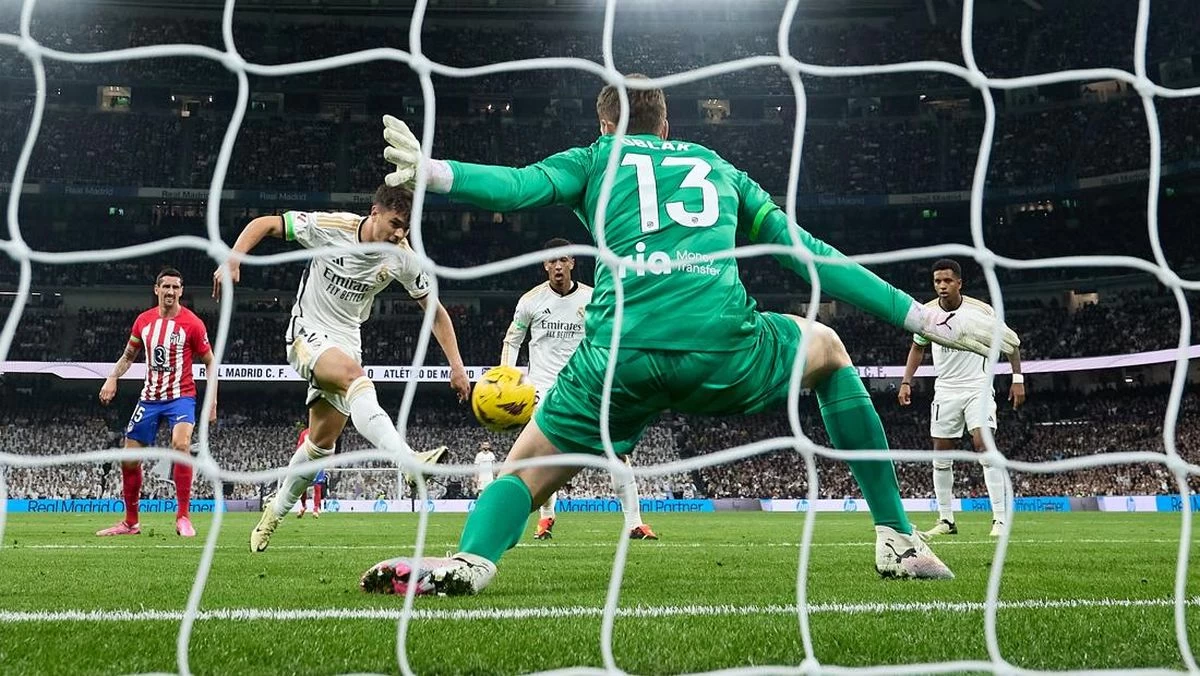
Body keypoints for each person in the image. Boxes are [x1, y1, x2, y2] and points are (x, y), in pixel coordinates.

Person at [360, 76, 1018, 596]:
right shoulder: (716, 166)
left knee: (523, 471)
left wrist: (436, 172)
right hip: (723, 349)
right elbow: (805, 253)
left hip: (617, 359)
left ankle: (473, 559)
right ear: (667, 126)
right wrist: (922, 317)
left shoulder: (596, 158)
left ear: (605, 126)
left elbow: (520, 187)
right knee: (827, 350)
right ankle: (896, 538)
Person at [213, 184, 471, 552]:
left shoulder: (403, 258)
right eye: (394, 224)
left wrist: (457, 366)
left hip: (348, 341)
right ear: (374, 213)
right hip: (307, 332)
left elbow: (436, 312)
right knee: (356, 380)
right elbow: (266, 223)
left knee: (321, 445)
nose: (399, 234)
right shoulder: (331, 228)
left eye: (406, 227)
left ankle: (274, 512)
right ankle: (407, 460)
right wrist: (233, 258)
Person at [501, 238, 656, 541]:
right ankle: (546, 517)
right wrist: (507, 376)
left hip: (586, 385)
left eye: (563, 260)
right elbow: (512, 340)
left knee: (616, 452)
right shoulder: (530, 301)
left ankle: (634, 523)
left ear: (572, 262)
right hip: (543, 388)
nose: (558, 266)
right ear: (545, 265)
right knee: (543, 457)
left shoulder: (593, 297)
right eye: (552, 261)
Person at [898, 259, 1025, 538]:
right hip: (945, 390)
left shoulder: (981, 310)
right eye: (937, 281)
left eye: (947, 281)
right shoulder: (926, 313)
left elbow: (1011, 343)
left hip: (978, 386)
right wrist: (906, 381)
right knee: (941, 454)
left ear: (959, 283)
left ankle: (1000, 519)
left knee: (984, 445)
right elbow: (918, 348)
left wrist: (1018, 379)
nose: (942, 286)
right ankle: (946, 520)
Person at [96, 268, 217, 538]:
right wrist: (112, 378)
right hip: (150, 399)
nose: (170, 292)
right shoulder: (144, 321)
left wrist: (212, 401)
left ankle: (183, 517)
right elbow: (128, 356)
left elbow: (210, 361)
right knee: (129, 459)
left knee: (181, 445)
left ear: (181, 292)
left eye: (175, 287)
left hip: (181, 397)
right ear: (157, 289)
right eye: (166, 287)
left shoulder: (193, 324)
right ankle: (131, 523)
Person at [294, 427, 327, 518]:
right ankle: (303, 506)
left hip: (318, 463)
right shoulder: (304, 433)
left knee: (317, 486)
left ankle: (316, 509)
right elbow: (299, 448)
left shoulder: (321, 431)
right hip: (306, 463)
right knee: (302, 486)